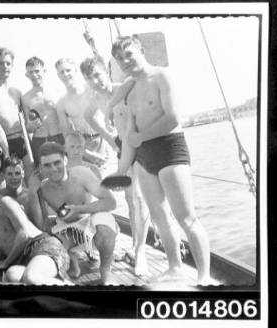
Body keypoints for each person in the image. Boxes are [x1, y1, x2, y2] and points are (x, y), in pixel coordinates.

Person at [111, 36, 211, 284]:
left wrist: (138, 138)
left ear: (141, 51)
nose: (125, 61)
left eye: (129, 55)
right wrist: (121, 170)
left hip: (169, 148)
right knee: (159, 216)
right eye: (120, 59)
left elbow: (173, 117)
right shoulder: (130, 91)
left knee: (186, 217)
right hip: (144, 156)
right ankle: (175, 266)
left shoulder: (162, 76)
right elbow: (129, 136)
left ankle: (204, 277)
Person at [80, 57, 151, 276]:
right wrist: (110, 140)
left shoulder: (125, 87)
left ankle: (141, 253)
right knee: (131, 199)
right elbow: (88, 117)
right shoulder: (96, 98)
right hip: (122, 147)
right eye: (90, 79)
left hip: (141, 144)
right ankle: (135, 246)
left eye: (98, 75)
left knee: (141, 199)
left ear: (106, 72)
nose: (96, 81)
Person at [31, 142, 118, 285]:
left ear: (65, 160)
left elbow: (111, 202)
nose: (53, 169)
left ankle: (105, 270)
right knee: (52, 245)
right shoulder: (43, 188)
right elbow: (41, 226)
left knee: (105, 229)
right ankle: (71, 258)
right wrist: (33, 194)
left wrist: (79, 209)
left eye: (57, 162)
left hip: (91, 218)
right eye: (47, 165)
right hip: (68, 228)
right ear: (40, 168)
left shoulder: (81, 174)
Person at [0, 177, 71, 285]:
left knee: (31, 278)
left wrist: (4, 263)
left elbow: (24, 234)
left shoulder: (4, 204)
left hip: (43, 246)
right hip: (23, 260)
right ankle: (62, 283)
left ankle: (79, 289)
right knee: (12, 274)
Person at [55, 58, 108, 167]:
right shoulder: (61, 103)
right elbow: (67, 134)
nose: (65, 74)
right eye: (61, 72)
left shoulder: (91, 89)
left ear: (75, 70)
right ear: (58, 75)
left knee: (113, 180)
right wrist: (86, 153)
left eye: (68, 70)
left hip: (105, 138)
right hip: (83, 145)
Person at [22, 56, 65, 167]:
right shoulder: (26, 98)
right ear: (27, 75)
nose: (34, 75)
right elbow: (27, 127)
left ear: (44, 71)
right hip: (39, 140)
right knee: (43, 172)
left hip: (59, 136)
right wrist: (32, 126)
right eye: (30, 72)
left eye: (37, 71)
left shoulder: (58, 91)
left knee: (62, 169)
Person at [0, 155, 41, 222]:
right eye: (9, 174)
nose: (14, 177)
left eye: (17, 173)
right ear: (3, 176)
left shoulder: (31, 195)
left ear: (23, 174)